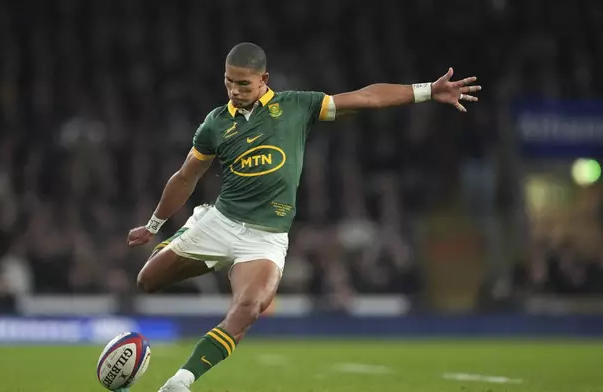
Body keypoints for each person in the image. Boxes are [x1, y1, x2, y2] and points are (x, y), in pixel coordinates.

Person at [126, 42, 481, 391]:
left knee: (249, 308)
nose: (234, 90)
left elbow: (366, 98)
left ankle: (181, 382)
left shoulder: (297, 106)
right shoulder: (215, 124)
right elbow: (186, 176)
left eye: (243, 83)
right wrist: (155, 224)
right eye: (229, 82)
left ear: (264, 79)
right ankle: (193, 227)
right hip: (220, 223)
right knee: (148, 280)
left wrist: (426, 91)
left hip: (265, 238)